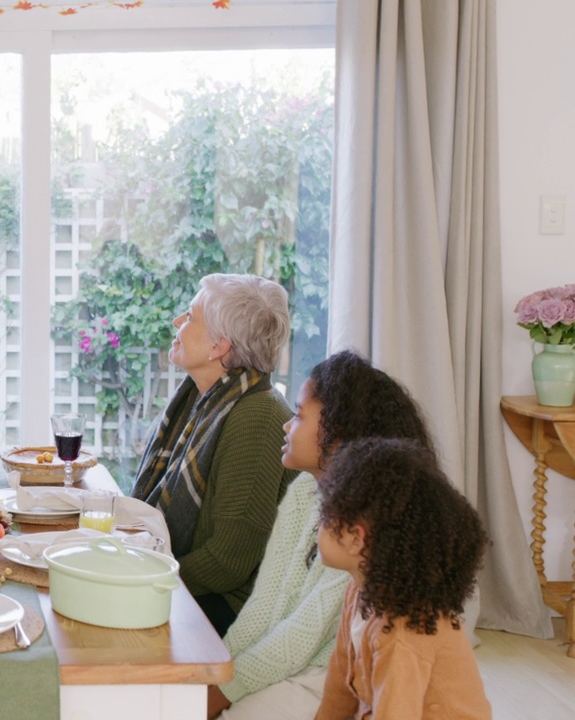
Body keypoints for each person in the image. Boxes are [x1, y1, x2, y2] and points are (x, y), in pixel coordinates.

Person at [209, 350, 435, 720]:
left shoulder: (363, 523)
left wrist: (224, 691)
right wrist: (217, 671)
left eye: (298, 415)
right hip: (284, 663)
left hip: (333, 675)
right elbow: (264, 604)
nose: (287, 425)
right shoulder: (302, 491)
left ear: (338, 435)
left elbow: (305, 635)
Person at [130, 273, 298, 635]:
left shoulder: (260, 417)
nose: (177, 322)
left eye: (190, 317)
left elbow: (228, 561)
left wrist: (140, 577)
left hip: (229, 609)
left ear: (219, 346)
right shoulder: (203, 398)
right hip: (188, 585)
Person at [313, 438, 490, 719]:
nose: (318, 525)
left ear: (356, 539)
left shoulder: (403, 631)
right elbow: (340, 688)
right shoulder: (358, 591)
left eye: (325, 517)